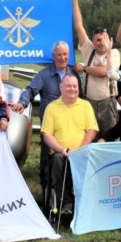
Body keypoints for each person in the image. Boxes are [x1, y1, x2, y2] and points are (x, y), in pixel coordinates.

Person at [12, 41, 82, 194]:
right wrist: (22, 102)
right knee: (46, 163)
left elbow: (81, 101)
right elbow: (30, 90)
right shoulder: (44, 75)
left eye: (65, 54)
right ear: (53, 56)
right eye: (59, 55)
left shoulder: (74, 76)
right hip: (51, 131)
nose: (63, 58)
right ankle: (46, 197)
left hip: (71, 130)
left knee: (71, 163)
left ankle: (68, 196)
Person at [41, 75, 98, 215]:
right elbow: (47, 135)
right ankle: (65, 201)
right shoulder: (52, 107)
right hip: (61, 152)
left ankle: (84, 201)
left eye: (75, 86)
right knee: (57, 159)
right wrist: (62, 149)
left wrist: (80, 150)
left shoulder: (85, 106)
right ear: (61, 88)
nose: (72, 89)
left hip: (82, 152)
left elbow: (92, 130)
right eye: (68, 86)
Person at [71, 0, 120, 134]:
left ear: (109, 39)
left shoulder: (114, 53)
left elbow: (104, 71)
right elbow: (79, 26)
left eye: (104, 39)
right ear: (92, 40)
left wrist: (84, 68)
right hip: (89, 102)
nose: (101, 42)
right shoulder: (88, 49)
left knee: (109, 138)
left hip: (108, 103)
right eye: (97, 40)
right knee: (89, 137)